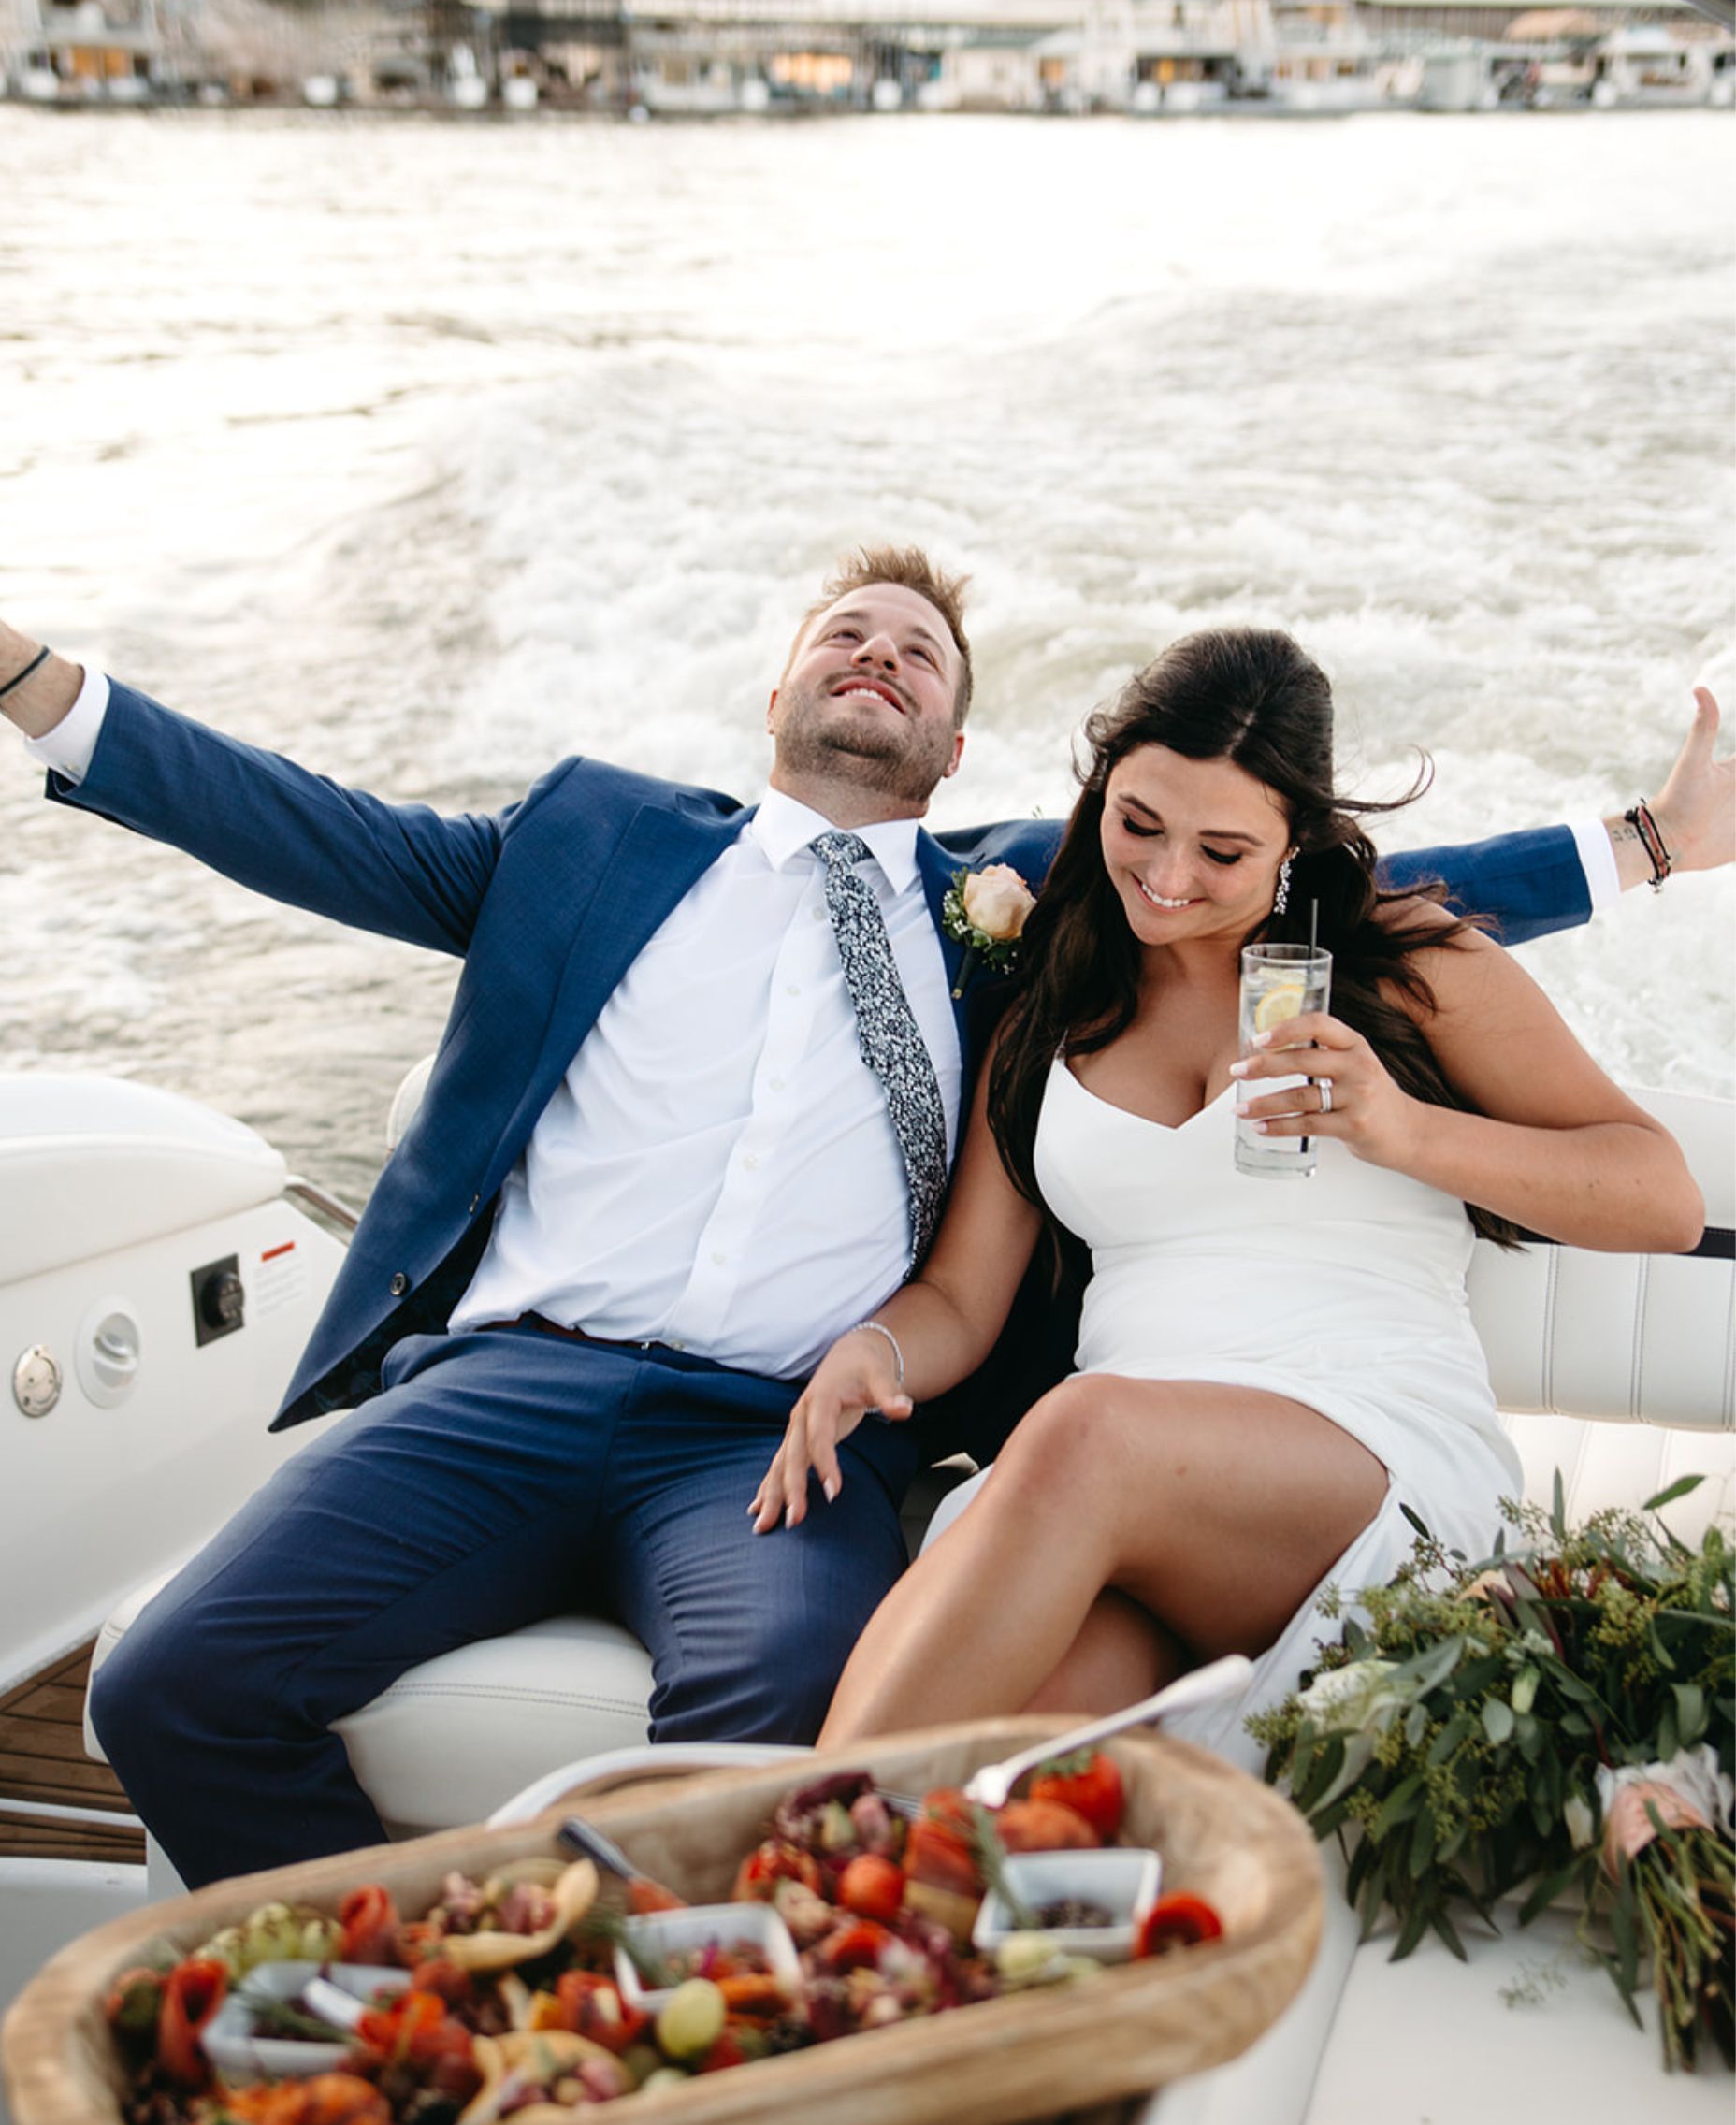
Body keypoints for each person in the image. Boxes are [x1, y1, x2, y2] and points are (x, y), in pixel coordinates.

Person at [0, 564, 1725, 1885]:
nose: (1168, 873)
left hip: (830, 1442)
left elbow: (1364, 902)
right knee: (165, 1687)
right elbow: (309, 826)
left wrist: (1641, 843)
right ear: (779, 686)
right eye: (849, 627)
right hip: (516, 1384)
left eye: (921, 648)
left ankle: (714, 1973)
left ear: (959, 749)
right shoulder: (622, 850)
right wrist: (29, 680)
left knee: (834, 1670)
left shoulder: (1011, 910)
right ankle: (439, 2042)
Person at [749, 629, 1709, 1767]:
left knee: (1080, 1430)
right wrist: (875, 1349)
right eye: (1138, 823)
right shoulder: (1050, 1013)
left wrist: (1402, 1129)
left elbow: (1660, 1198)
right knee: (1010, 1768)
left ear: (1292, 844)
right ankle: (840, 1913)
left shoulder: (1405, 966)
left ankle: (770, 1849)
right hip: (1122, 1504)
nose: (1167, 876)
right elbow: (960, 1296)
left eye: (1222, 850)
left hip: (1370, 1457)